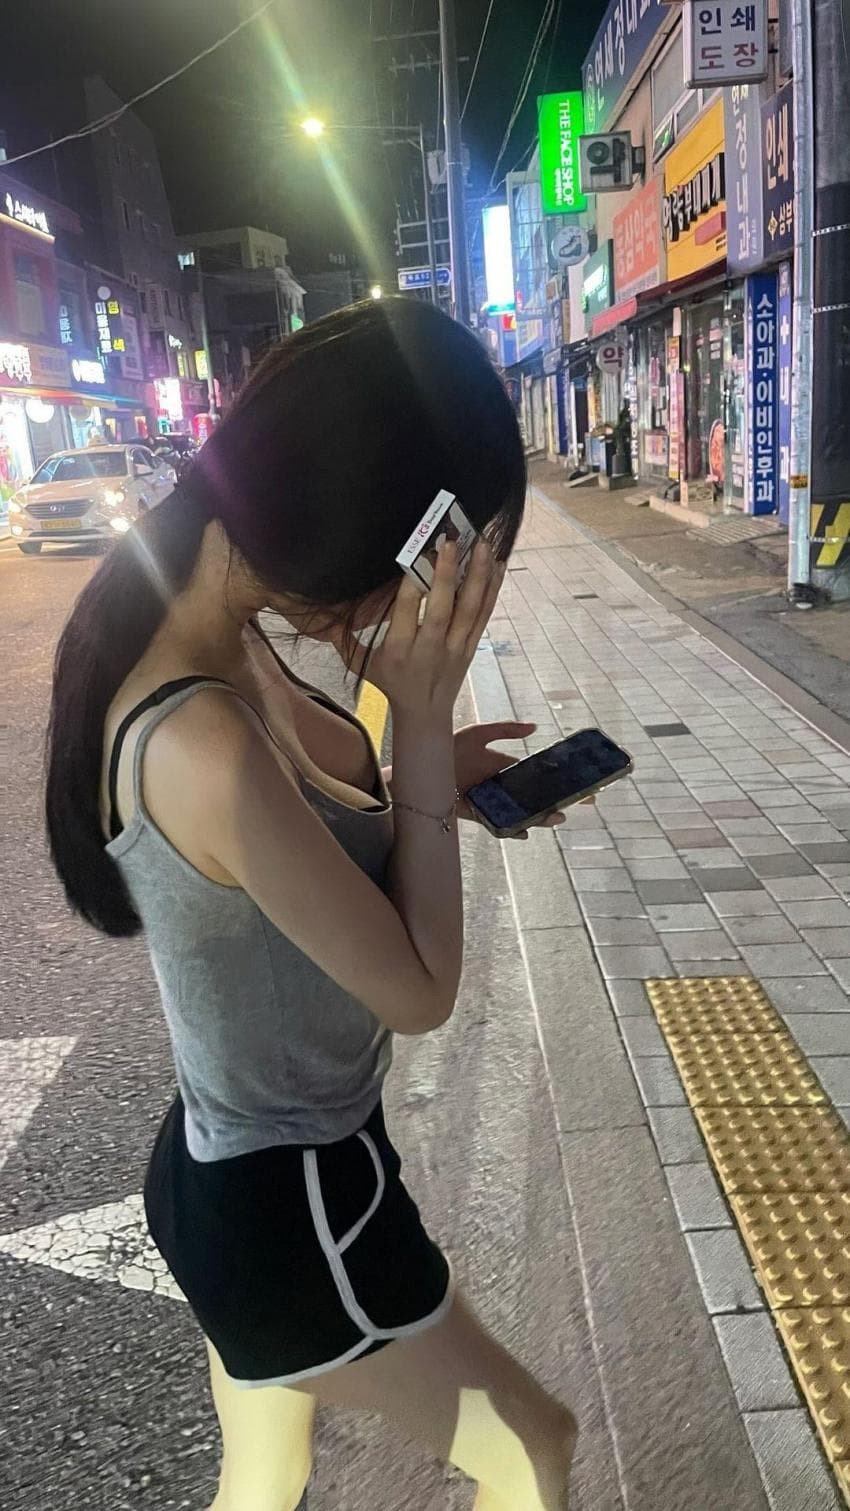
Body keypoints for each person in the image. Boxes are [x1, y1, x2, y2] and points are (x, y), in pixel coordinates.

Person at [45, 299, 577, 1511]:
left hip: (241, 1165)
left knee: (266, 1474)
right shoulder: (203, 736)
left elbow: (294, 846)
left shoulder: (213, 620)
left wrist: (423, 785)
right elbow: (420, 989)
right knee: (532, 1448)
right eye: (431, 559)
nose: (411, 600)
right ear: (361, 526)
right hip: (292, 1208)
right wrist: (424, 724)